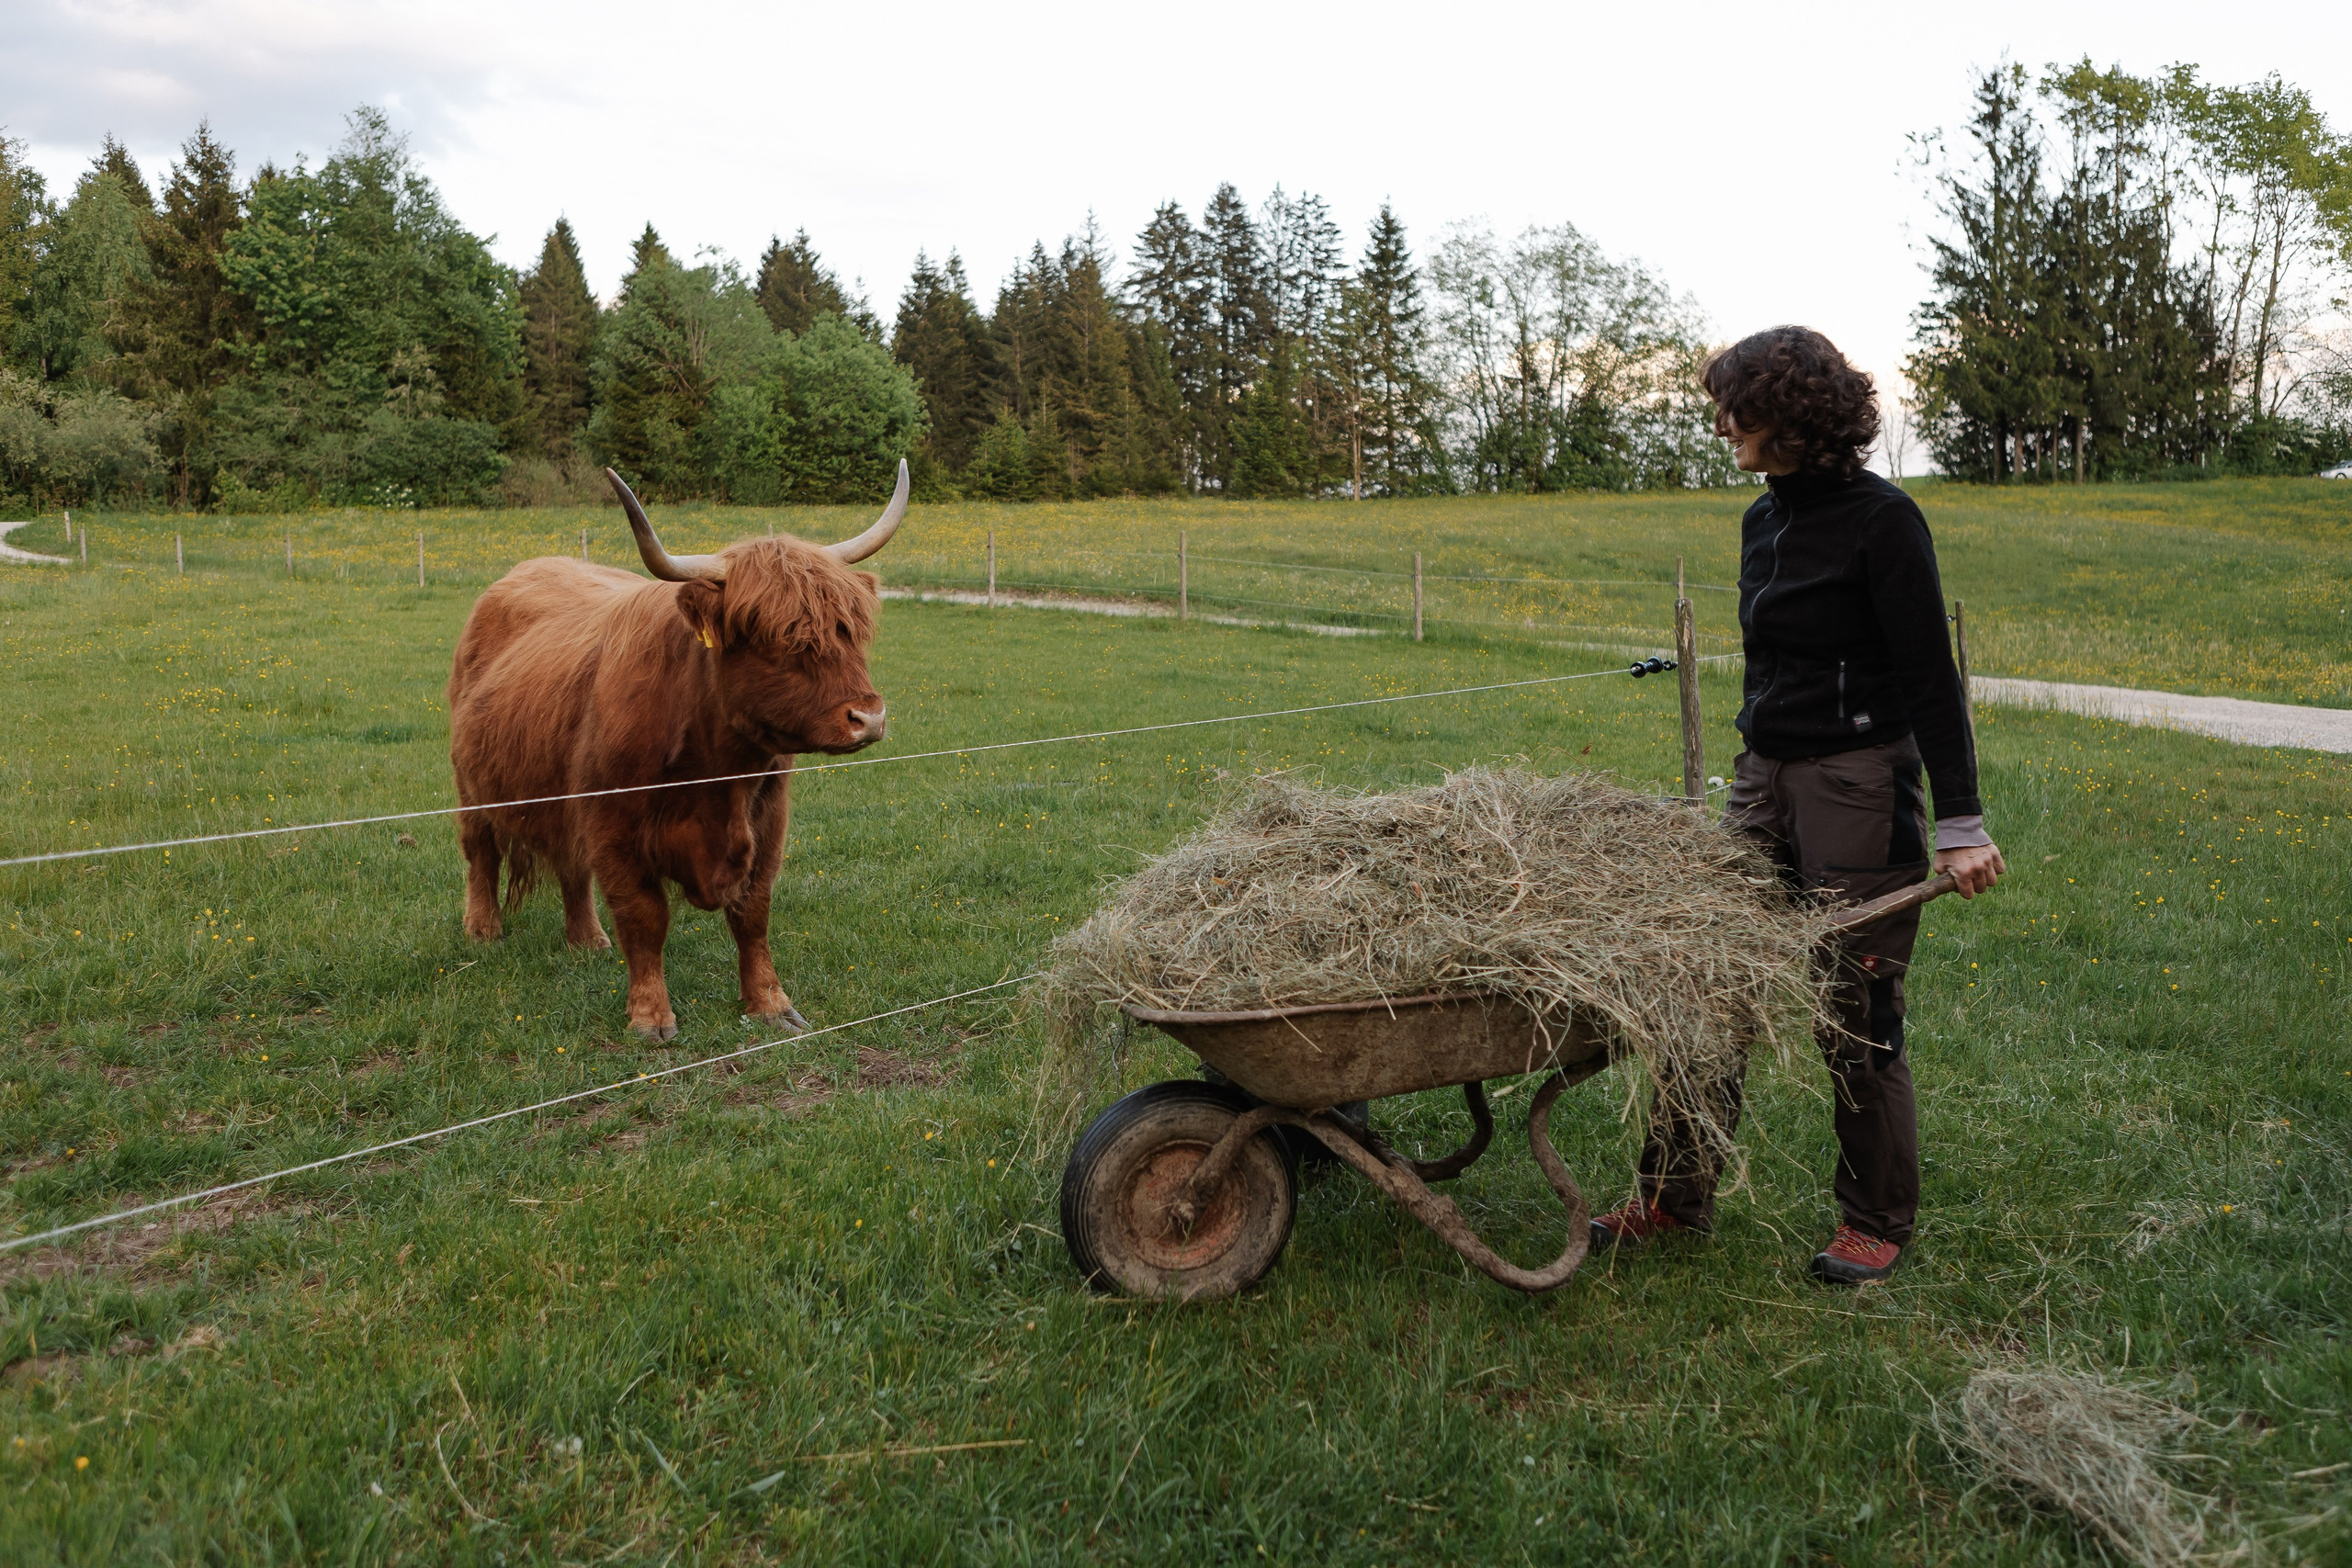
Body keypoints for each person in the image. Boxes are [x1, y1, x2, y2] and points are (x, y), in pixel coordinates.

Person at [1589, 326, 2004, 1285]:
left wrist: (1960, 823)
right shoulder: (1762, 520)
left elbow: (1928, 677)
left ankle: (1875, 1221)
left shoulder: (1883, 521)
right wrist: (1754, 768)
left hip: (1857, 785)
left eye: (1736, 408)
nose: (1722, 426)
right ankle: (1673, 1198)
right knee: (1706, 986)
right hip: (1761, 779)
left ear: (1792, 415)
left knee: (1854, 1006)